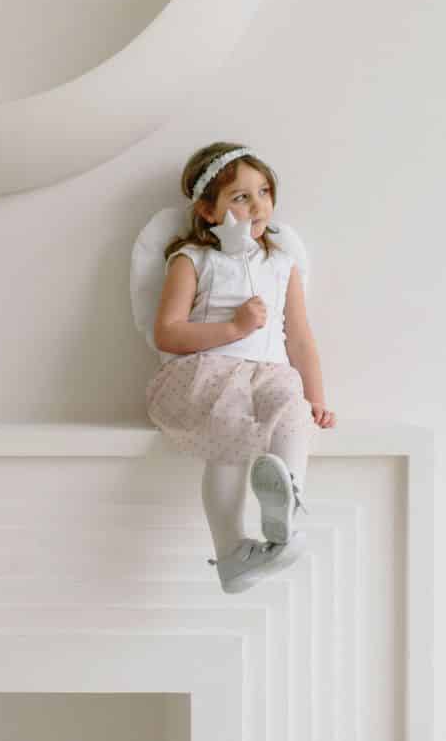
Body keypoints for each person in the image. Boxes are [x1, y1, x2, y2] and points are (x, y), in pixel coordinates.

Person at [145, 143, 336, 594]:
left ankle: (285, 506)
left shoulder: (281, 263)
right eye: (240, 197)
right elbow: (167, 333)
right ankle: (231, 549)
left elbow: (300, 338)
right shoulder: (193, 259)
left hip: (268, 372)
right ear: (210, 211)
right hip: (210, 372)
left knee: (291, 407)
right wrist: (233, 326)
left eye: (264, 192)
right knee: (229, 429)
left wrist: (317, 398)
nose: (257, 206)